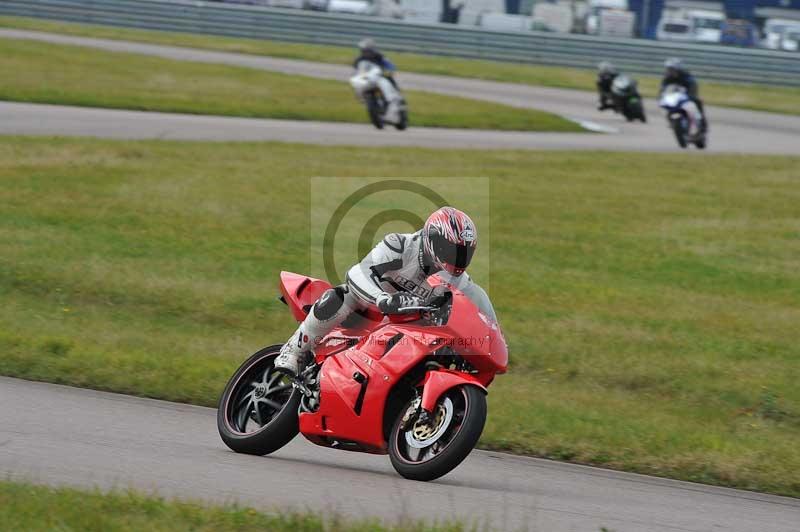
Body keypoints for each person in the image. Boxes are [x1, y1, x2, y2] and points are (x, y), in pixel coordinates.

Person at [275, 207, 497, 377]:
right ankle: (294, 350)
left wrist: (490, 339)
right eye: (452, 250)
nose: (457, 258)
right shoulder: (399, 246)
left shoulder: (460, 282)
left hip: (406, 330)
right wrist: (383, 299)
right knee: (342, 295)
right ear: (434, 240)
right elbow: (357, 273)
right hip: (369, 313)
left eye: (463, 252)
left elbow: (476, 312)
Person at [352, 38, 403, 121]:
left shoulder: (379, 56)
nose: (365, 52)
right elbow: (356, 70)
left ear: (371, 49)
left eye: (367, 50)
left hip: (380, 75)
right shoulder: (359, 59)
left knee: (388, 79)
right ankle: (362, 97)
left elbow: (388, 63)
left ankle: (397, 95)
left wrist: (390, 69)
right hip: (368, 79)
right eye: (364, 50)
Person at [661, 58, 708, 131]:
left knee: (697, 102)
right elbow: (663, 88)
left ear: (677, 68)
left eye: (671, 69)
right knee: (668, 106)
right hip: (676, 97)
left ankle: (702, 123)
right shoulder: (667, 78)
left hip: (687, 95)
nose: (669, 71)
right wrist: (662, 96)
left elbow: (693, 85)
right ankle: (672, 121)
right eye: (668, 69)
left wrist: (692, 95)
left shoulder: (685, 76)